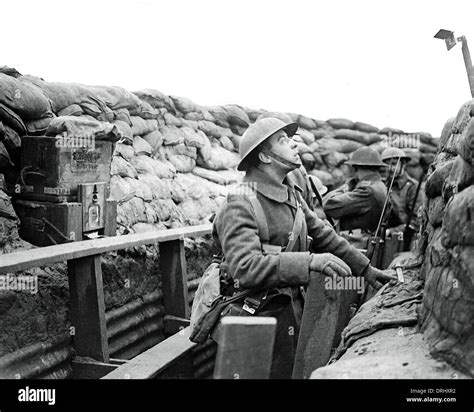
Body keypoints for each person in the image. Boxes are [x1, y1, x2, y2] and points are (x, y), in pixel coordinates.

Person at [212, 117, 396, 378]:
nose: (294, 145)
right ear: (265, 158)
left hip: (289, 314)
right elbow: (246, 268)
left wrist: (366, 269)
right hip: (251, 322)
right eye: (283, 141)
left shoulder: (292, 196)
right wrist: (309, 262)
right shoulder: (241, 201)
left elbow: (325, 235)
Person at [323, 147, 387, 234]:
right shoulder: (380, 185)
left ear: (356, 168)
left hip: (355, 243)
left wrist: (346, 187)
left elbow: (328, 205)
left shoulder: (367, 191)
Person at [381, 147, 424, 244]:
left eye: (394, 164)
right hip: (382, 236)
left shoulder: (413, 187)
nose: (390, 168)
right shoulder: (383, 186)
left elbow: (416, 221)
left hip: (403, 239)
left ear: (403, 164)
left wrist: (391, 232)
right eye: (387, 164)